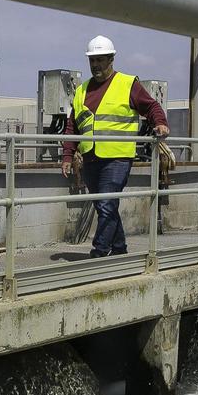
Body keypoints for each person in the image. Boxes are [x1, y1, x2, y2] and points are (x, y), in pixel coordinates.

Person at [62, 35, 170, 257]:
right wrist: (67, 156)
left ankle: (99, 252)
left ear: (111, 59)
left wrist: (160, 123)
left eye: (100, 60)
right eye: (92, 61)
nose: (95, 65)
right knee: (104, 206)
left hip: (118, 159)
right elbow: (72, 126)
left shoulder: (128, 84)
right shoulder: (81, 90)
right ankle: (119, 249)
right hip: (91, 158)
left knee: (106, 204)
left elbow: (152, 107)